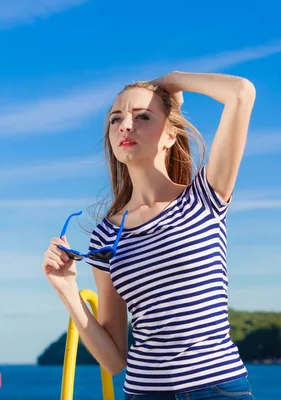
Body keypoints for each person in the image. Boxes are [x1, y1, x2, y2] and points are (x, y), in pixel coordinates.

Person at [42, 71, 257, 400]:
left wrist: (172, 81)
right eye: (116, 119)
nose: (125, 125)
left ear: (171, 134)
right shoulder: (104, 236)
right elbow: (114, 360)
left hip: (216, 389)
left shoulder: (204, 197)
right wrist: (68, 290)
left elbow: (241, 92)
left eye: (142, 116)